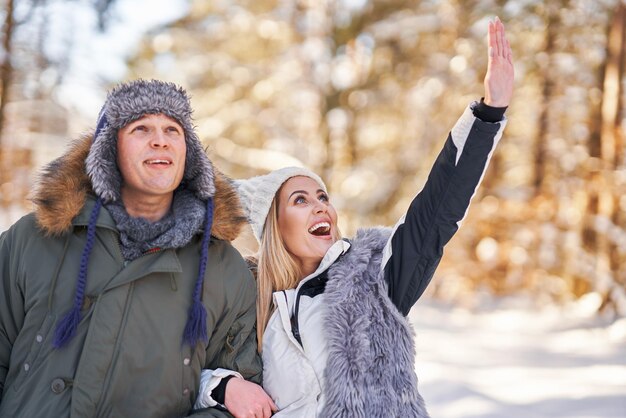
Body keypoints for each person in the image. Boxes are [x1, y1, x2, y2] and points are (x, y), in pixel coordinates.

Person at [197, 17, 514, 417]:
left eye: (322, 196)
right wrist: (224, 387)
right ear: (273, 228)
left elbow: (436, 211)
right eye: (300, 200)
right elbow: (182, 375)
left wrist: (488, 115)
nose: (320, 207)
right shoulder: (250, 306)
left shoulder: (373, 278)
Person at [0, 79, 275, 417]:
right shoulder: (33, 239)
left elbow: (241, 403)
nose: (160, 140)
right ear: (108, 150)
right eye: (141, 128)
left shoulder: (223, 269)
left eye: (173, 130)